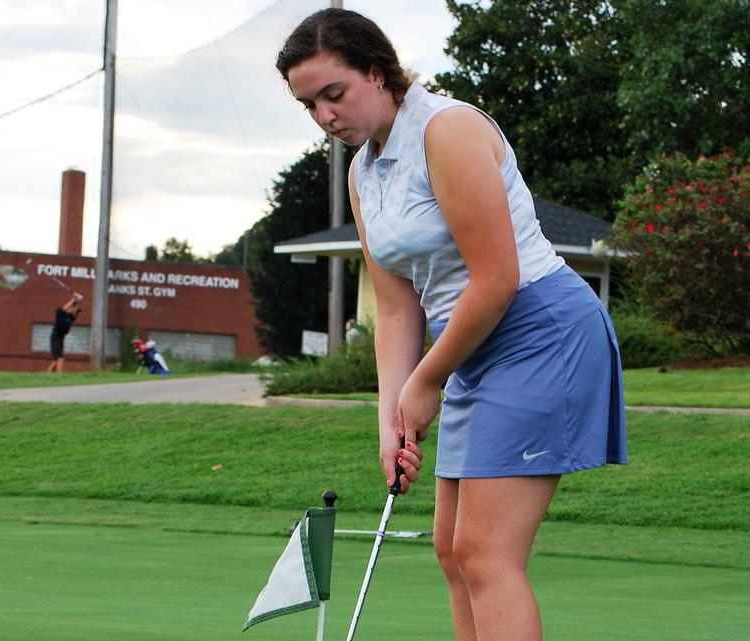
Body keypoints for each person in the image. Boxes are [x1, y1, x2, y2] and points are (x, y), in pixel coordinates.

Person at [277, 10, 627, 641]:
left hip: (538, 329)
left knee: (486, 554)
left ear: (378, 73)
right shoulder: (363, 173)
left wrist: (427, 380)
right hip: (468, 344)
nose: (326, 116)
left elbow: (495, 278)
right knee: (452, 550)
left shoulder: (449, 129)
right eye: (310, 105)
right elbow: (398, 307)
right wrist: (393, 417)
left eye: (335, 94)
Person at [46, 292, 82, 372]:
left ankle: (47, 376)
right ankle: (59, 377)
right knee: (60, 359)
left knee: (56, 361)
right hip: (55, 337)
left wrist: (79, 301)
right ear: (70, 308)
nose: (74, 310)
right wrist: (74, 299)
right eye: (73, 308)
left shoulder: (70, 317)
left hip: (61, 338)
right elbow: (66, 307)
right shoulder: (60, 313)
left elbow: (77, 310)